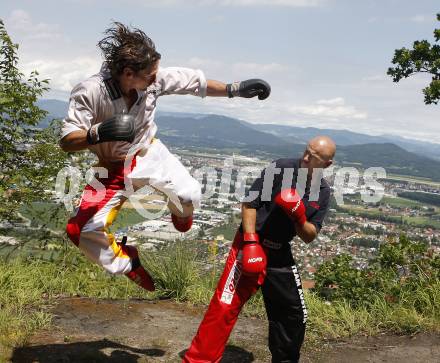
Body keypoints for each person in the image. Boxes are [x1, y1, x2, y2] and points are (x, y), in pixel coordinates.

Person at [59, 22, 270, 292]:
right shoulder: (90, 91)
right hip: (112, 168)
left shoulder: (153, 79)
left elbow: (197, 84)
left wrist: (235, 89)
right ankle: (128, 263)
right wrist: (98, 133)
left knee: (190, 195)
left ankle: (181, 214)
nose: (156, 78)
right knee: (81, 231)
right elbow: (67, 141)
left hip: (149, 153)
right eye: (150, 75)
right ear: (128, 74)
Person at [183, 136, 336, 363]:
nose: (305, 158)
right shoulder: (281, 169)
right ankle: (198, 361)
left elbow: (310, 235)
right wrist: (251, 241)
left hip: (280, 252)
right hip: (251, 241)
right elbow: (249, 205)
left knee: (293, 313)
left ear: (326, 164)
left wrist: (299, 217)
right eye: (306, 151)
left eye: (313, 157)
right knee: (225, 306)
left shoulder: (322, 192)